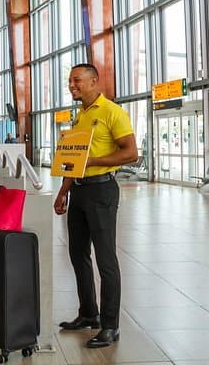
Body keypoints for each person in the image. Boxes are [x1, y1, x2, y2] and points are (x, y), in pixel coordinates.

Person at [53, 63, 137, 349]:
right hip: (78, 191)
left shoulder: (113, 112)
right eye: (70, 81)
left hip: (102, 190)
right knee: (78, 253)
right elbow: (74, 160)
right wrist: (63, 191)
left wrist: (95, 161)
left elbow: (131, 153)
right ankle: (89, 313)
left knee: (105, 258)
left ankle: (111, 326)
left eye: (77, 80)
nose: (71, 85)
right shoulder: (81, 116)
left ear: (94, 81)